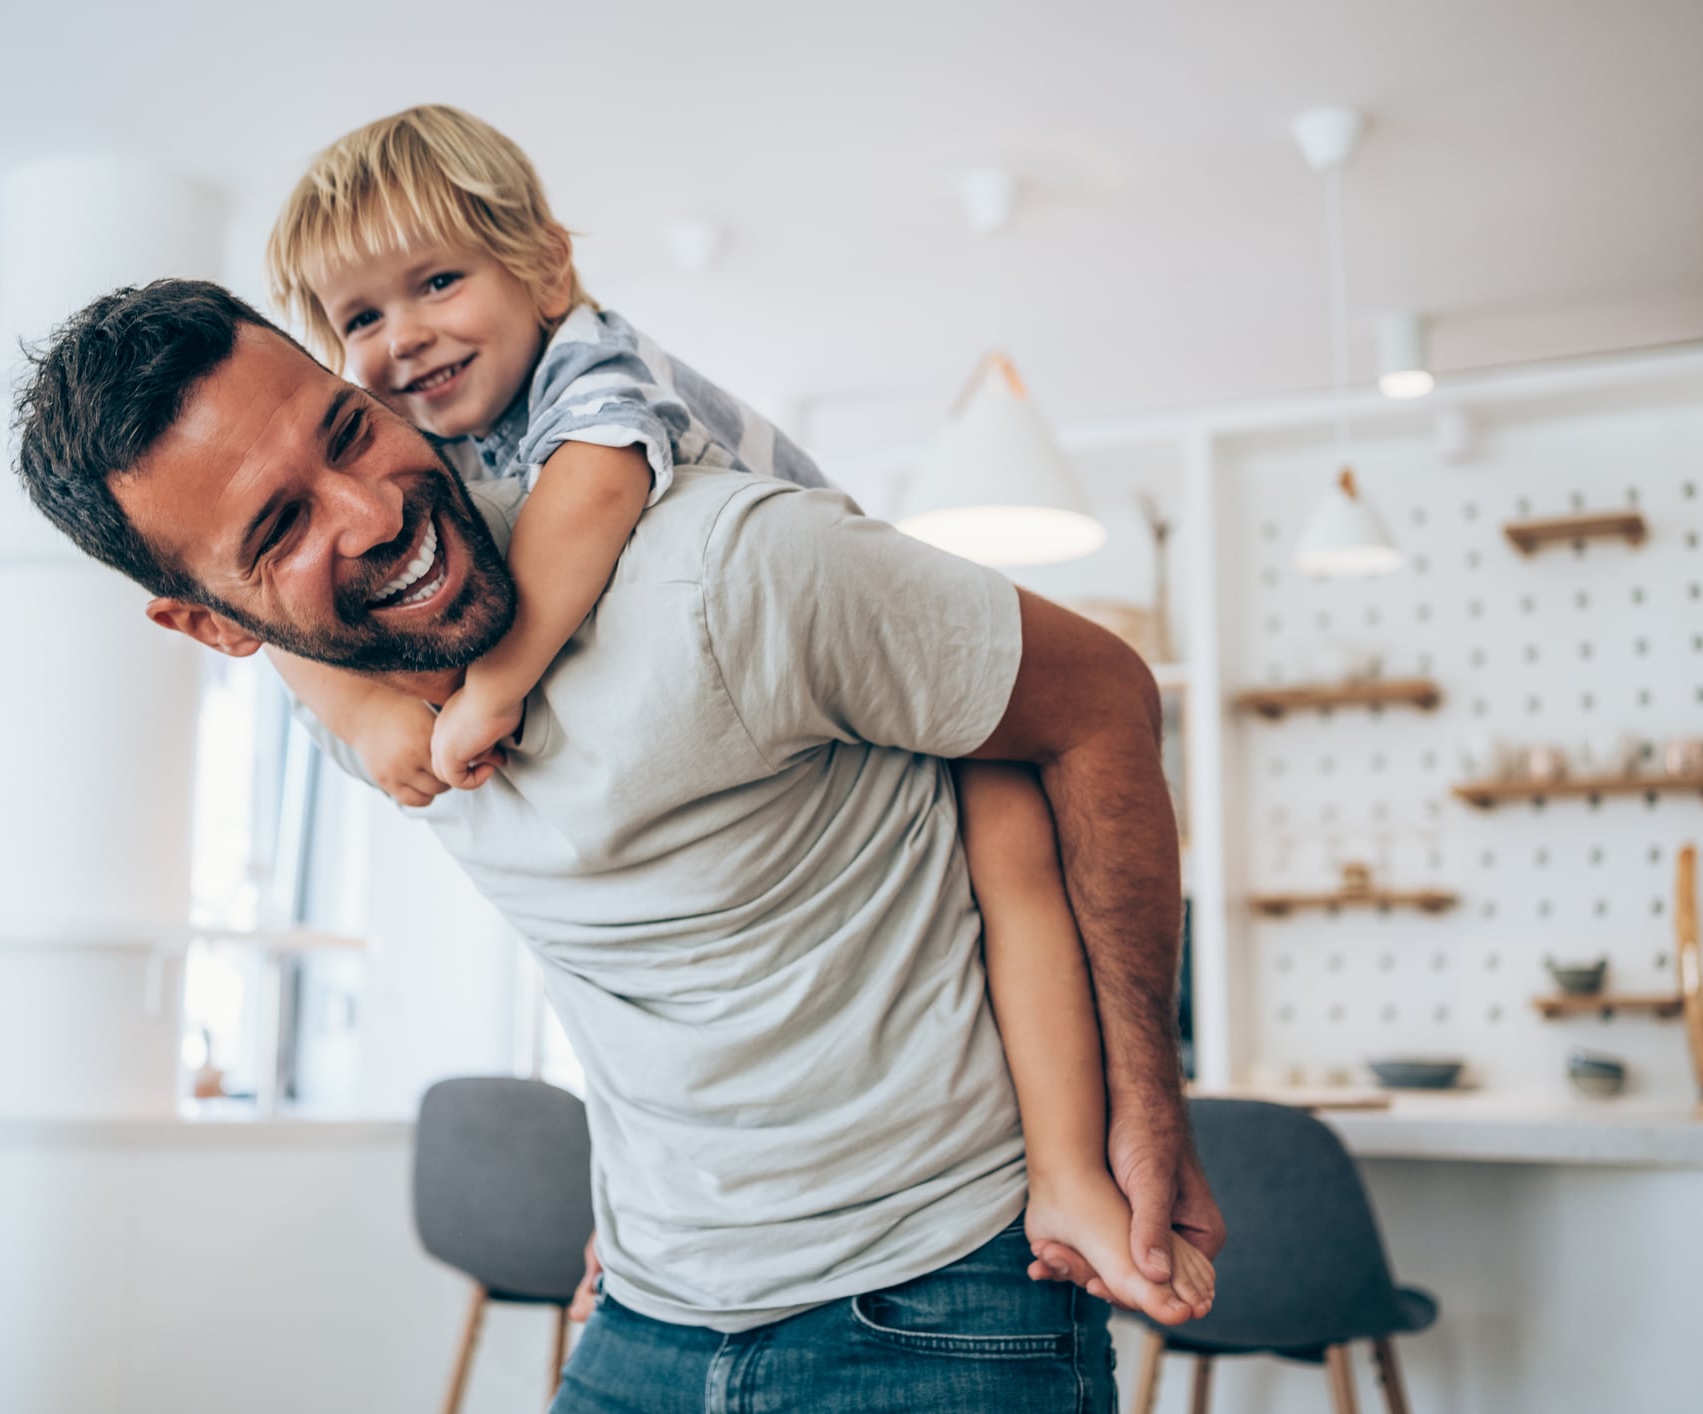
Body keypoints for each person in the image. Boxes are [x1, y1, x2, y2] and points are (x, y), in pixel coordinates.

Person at [12, 279, 1221, 1411]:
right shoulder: (351, 708)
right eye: (280, 528)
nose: (377, 510)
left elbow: (1104, 700)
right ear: (212, 626)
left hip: (946, 1299)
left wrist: (1147, 1110)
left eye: (346, 430)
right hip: (643, 1313)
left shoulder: (733, 570)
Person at [259, 104, 1213, 1321]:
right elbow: (268, 621)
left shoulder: (588, 359)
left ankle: (1071, 1175)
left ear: (546, 266)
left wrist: (492, 690)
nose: (406, 336)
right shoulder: (429, 452)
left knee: (1017, 889)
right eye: (362, 317)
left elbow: (596, 494)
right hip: (692, 1231)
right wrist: (365, 719)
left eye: (438, 280)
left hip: (909, 704)